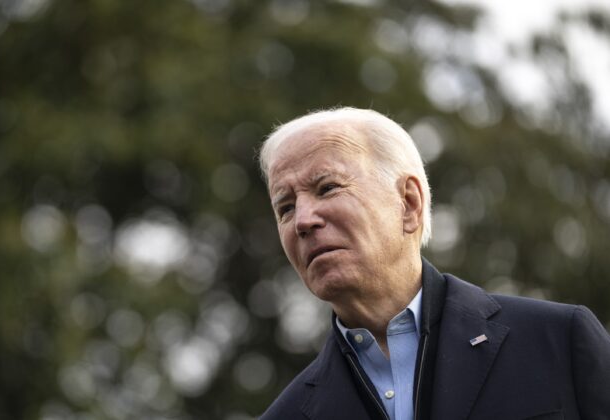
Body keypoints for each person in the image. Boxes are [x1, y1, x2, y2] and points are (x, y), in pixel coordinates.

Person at [257, 107, 610, 420]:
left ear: (408, 203)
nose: (303, 220)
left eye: (327, 188)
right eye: (285, 207)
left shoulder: (558, 342)